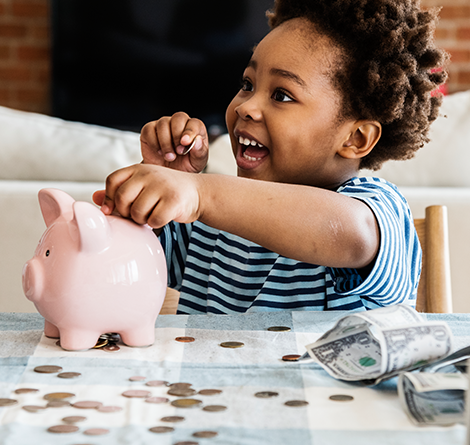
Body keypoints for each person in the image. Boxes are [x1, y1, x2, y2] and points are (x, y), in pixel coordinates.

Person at [93, 0, 448, 314]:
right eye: (248, 84)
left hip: (325, 391)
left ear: (355, 138)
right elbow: (118, 268)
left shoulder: (376, 206)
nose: (247, 106)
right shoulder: (206, 224)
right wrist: (159, 182)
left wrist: (201, 192)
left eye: (282, 95)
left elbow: (354, 233)